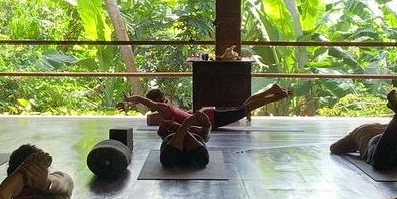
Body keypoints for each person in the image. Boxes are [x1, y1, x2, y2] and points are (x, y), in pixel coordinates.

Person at [330, 86, 397, 172]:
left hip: (378, 141)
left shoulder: (358, 131)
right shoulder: (394, 126)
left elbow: (334, 148)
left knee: (381, 164)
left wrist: (356, 148)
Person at [118, 83, 293, 133]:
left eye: (153, 104)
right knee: (243, 107)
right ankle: (272, 91)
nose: (152, 109)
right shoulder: (167, 103)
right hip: (206, 115)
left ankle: (274, 94)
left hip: (208, 119)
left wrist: (129, 100)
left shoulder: (162, 108)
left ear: (156, 100)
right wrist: (129, 103)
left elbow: (142, 99)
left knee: (245, 109)